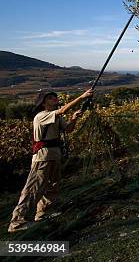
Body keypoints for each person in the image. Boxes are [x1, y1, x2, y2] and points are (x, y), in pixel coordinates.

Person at [7, 88, 93, 233]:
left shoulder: (56, 117)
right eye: (50, 98)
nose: (54, 99)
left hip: (55, 154)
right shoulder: (41, 116)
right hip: (43, 156)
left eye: (54, 97)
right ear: (43, 103)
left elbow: (69, 129)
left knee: (53, 186)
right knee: (33, 188)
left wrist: (74, 118)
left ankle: (42, 213)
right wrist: (82, 97)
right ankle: (17, 222)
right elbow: (62, 110)